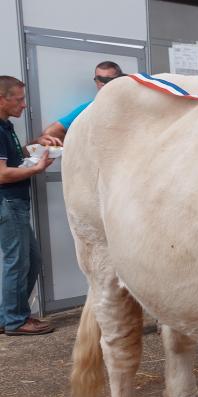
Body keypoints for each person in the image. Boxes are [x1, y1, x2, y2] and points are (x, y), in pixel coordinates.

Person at [0, 76, 54, 335]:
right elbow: (1, 174)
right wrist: (38, 169)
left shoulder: (6, 126)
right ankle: (16, 321)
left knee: (31, 260)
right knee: (18, 262)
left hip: (15, 203)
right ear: (2, 99)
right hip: (7, 203)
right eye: (19, 99)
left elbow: (14, 158)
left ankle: (6, 316)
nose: (24, 105)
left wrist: (36, 146)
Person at [34, 61, 123, 147]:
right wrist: (81, 148)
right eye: (98, 79)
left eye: (107, 79)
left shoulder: (132, 106)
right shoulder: (88, 109)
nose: (102, 83)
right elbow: (51, 132)